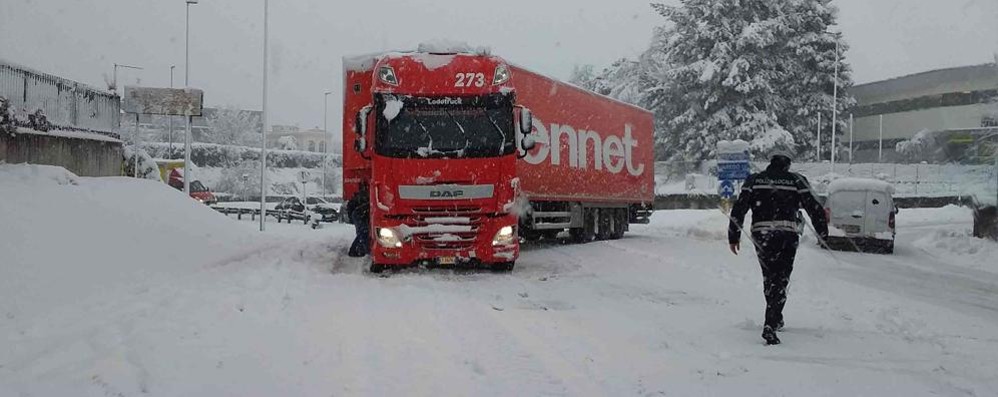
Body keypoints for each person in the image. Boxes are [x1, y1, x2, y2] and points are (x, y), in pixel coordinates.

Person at [727, 151, 827, 345]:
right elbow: (814, 207)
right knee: (781, 277)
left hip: (762, 234)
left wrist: (734, 235)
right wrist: (822, 232)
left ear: (770, 164)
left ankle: (774, 317)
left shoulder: (754, 180)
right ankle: (771, 322)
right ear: (787, 165)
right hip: (787, 234)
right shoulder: (797, 180)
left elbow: (739, 207)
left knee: (770, 275)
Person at [346, 182, 371, 257]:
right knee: (363, 232)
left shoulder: (359, 195)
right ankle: (355, 250)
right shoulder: (364, 196)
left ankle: (360, 249)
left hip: (357, 216)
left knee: (361, 233)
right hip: (359, 216)